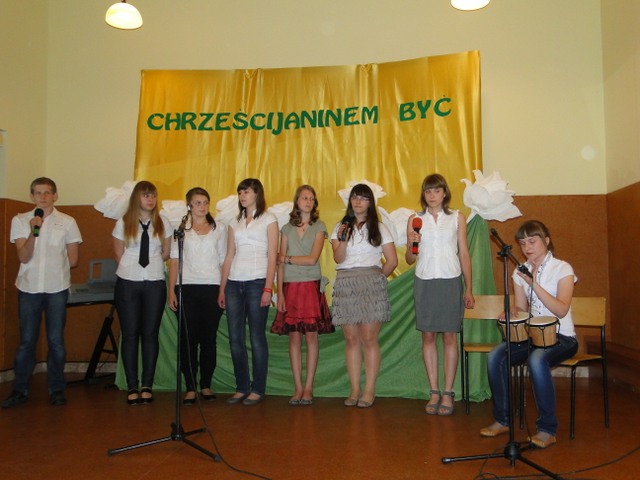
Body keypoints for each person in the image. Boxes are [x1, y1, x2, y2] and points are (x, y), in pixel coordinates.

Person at [480, 220, 578, 448]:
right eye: (522, 243)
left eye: (532, 241)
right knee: (495, 356)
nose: (527, 248)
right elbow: (522, 308)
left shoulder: (563, 269)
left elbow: (561, 309)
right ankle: (503, 420)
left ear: (546, 241)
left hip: (563, 338)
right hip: (533, 336)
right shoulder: (519, 271)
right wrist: (512, 312)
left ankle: (547, 429)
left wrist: (533, 284)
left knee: (536, 359)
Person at [2, 178, 82, 408]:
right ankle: (19, 389)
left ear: (55, 195)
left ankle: (56, 389)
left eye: (47, 193)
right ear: (32, 196)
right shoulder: (20, 220)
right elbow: (23, 256)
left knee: (56, 341)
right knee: (27, 341)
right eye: (38, 193)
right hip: (29, 288)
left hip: (57, 288)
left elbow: (74, 260)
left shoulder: (67, 222)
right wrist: (33, 231)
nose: (43, 197)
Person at [405, 173, 474, 416]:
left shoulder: (457, 218)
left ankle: (448, 392)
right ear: (423, 194)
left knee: (449, 337)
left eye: (436, 190)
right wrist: (412, 243)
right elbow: (410, 258)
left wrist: (469, 288)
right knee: (428, 337)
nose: (432, 195)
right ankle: (434, 391)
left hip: (450, 280)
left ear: (444, 193)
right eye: (428, 191)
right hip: (424, 280)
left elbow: (464, 253)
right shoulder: (415, 220)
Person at [330, 183, 398, 408]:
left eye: (363, 197)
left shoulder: (380, 227)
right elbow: (338, 258)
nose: (358, 201)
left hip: (371, 282)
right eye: (354, 197)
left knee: (368, 338)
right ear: (350, 201)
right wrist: (343, 238)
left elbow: (392, 261)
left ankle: (369, 390)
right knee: (351, 339)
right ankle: (354, 389)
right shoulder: (340, 226)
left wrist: (377, 279)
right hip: (346, 282)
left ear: (370, 202)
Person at [271, 185, 334, 406]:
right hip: (289, 286)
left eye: (311, 198)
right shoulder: (286, 228)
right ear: (297, 201)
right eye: (304, 197)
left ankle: (309, 388)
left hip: (310, 286)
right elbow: (278, 264)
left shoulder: (320, 226)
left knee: (311, 336)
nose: (308, 201)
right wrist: (280, 294)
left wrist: (287, 259)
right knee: (294, 338)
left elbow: (312, 259)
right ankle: (297, 387)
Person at [218, 178, 278, 406]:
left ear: (257, 194)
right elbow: (229, 255)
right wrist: (222, 288)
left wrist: (268, 287)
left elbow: (272, 255)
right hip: (234, 282)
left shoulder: (269, 219)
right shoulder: (234, 222)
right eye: (240, 192)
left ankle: (257, 388)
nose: (242, 196)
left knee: (256, 336)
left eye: (247, 192)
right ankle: (241, 386)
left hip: (257, 281)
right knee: (235, 338)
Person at [113, 181, 172, 405]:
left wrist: (151, 265)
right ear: (136, 197)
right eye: (146, 195)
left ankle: (147, 384)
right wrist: (135, 270)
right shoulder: (124, 222)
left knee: (150, 334)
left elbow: (166, 252)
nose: (150, 200)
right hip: (128, 282)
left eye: (153, 196)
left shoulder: (163, 222)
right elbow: (118, 253)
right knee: (130, 334)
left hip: (154, 282)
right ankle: (132, 385)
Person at [168, 188, 227, 405]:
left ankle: (206, 384)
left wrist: (223, 289)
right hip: (187, 288)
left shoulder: (219, 229)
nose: (202, 207)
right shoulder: (181, 230)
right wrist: (171, 290)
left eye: (205, 202)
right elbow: (175, 261)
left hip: (212, 287)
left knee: (208, 339)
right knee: (188, 339)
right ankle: (190, 387)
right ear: (189, 205)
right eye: (197, 203)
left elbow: (224, 261)